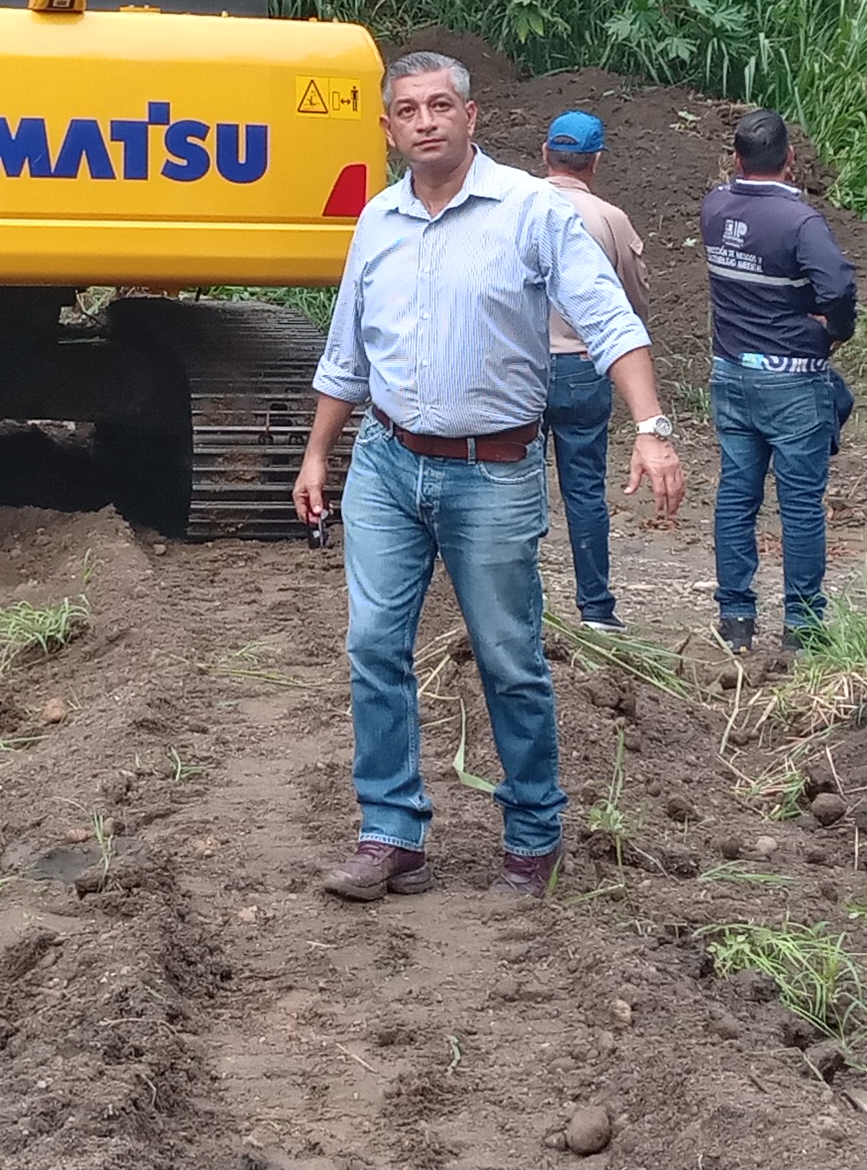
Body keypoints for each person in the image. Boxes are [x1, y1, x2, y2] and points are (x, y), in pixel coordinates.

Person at [294, 53, 686, 903]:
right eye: (408, 110)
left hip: (494, 472)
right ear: (388, 129)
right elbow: (346, 352)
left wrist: (651, 429)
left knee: (508, 657)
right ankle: (390, 832)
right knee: (373, 647)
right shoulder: (378, 221)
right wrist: (319, 452)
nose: (425, 121)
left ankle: (533, 834)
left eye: (441, 105)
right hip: (386, 463)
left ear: (471, 118)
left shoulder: (531, 210)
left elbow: (610, 320)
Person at [702, 105, 858, 655]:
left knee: (736, 495)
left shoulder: (714, 207)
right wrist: (833, 331)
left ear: (736, 158)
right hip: (791, 380)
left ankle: (735, 619)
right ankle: (802, 625)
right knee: (800, 504)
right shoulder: (800, 222)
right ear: (791, 157)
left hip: (731, 373)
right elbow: (837, 286)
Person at [536, 111, 653, 628]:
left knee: (516, 489)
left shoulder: (517, 206)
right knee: (584, 490)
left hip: (519, 370)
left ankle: (523, 603)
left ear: (545, 153)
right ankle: (597, 608)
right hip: (583, 368)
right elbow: (631, 302)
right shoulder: (610, 220)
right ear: (596, 161)